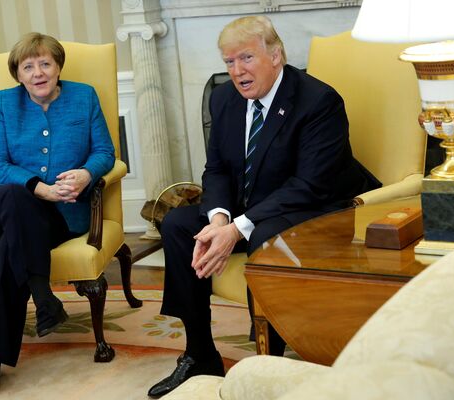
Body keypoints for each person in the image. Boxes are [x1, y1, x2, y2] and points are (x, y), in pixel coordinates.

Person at [147, 16, 381, 398]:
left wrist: (237, 229)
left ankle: (269, 358)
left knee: (267, 238)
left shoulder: (318, 101)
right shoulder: (224, 98)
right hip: (249, 206)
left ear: (276, 55)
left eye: (245, 58)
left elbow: (309, 185)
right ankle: (199, 353)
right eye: (228, 62)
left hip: (314, 210)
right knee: (177, 223)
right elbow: (217, 168)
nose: (236, 71)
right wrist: (219, 218)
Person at [0, 32, 115, 397]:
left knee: (12, 247)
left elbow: (104, 152)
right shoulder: (5, 103)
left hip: (59, 217)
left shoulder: (83, 97)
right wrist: (39, 187)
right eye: (28, 66)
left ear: (58, 67)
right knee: (17, 200)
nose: (38, 73)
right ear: (18, 74)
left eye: (45, 64)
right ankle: (42, 297)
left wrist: (86, 174)